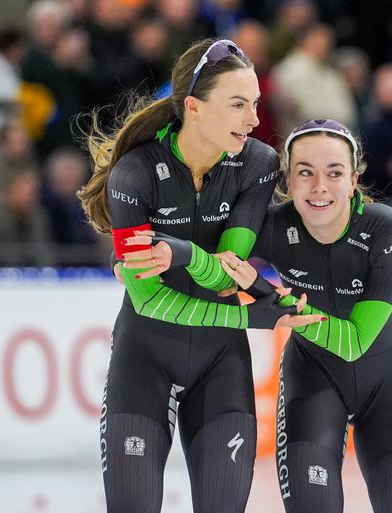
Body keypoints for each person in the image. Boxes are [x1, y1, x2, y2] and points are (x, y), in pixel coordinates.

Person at [125, 119, 392, 512]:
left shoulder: (391, 233)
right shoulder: (274, 225)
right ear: (287, 181)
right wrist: (132, 252)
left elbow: (356, 342)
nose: (319, 187)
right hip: (313, 385)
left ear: (355, 179)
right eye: (305, 173)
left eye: (334, 173)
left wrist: (263, 290)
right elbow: (217, 266)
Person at [77, 39, 319, 513]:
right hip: (143, 359)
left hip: (219, 369)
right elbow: (148, 301)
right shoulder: (134, 174)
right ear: (194, 107)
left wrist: (183, 254)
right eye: (237, 105)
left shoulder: (257, 164)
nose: (253, 120)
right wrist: (253, 316)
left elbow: (227, 278)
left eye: (255, 104)